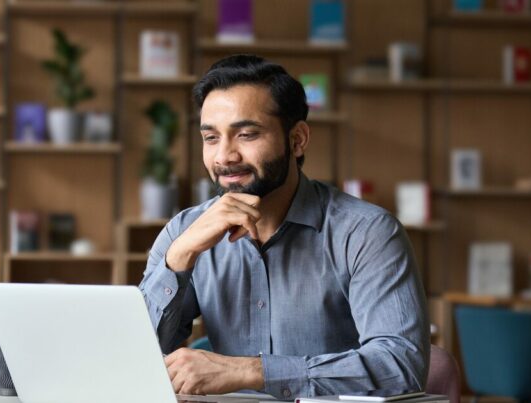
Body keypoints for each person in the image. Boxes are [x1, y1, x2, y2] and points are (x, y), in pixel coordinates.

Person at [138, 55, 429, 400]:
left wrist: (252, 371)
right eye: (211, 138)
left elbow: (401, 366)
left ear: (297, 139)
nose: (224, 156)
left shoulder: (367, 233)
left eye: (246, 134)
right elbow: (134, 358)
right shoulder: (184, 232)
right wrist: (180, 258)